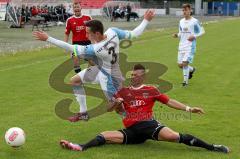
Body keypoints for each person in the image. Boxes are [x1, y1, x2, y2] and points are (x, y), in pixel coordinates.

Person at [59, 64, 230, 154]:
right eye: (131, 75)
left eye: (136, 75)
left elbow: (170, 101)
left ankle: (212, 147)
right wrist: (117, 103)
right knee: (104, 135)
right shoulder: (123, 91)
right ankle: (80, 147)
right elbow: (112, 109)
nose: (132, 77)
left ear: (143, 77)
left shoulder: (151, 90)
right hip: (132, 130)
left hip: (148, 125)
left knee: (173, 136)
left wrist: (189, 108)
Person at [33, 10, 155, 122]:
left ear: (96, 33)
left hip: (109, 78)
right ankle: (83, 113)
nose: (86, 36)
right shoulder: (113, 32)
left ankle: (144, 122)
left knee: (119, 108)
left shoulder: (96, 49)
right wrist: (146, 20)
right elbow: (134, 34)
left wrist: (48, 38)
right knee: (75, 80)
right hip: (103, 69)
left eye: (87, 33)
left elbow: (70, 48)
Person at [173, 4, 205, 87]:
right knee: (180, 65)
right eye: (183, 10)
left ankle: (185, 82)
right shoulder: (181, 21)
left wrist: (194, 36)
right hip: (181, 45)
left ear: (190, 10)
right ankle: (192, 69)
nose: (184, 12)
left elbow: (202, 31)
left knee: (184, 64)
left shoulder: (195, 21)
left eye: (186, 10)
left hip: (190, 46)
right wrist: (177, 35)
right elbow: (180, 32)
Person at [64, 2, 93, 74]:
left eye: (78, 7)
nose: (76, 9)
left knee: (91, 61)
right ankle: (79, 76)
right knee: (75, 60)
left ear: (81, 8)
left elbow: (93, 30)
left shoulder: (88, 17)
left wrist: (95, 41)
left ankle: (88, 75)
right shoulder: (70, 20)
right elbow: (67, 33)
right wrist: (65, 46)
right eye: (75, 7)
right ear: (73, 9)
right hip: (76, 43)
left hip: (87, 42)